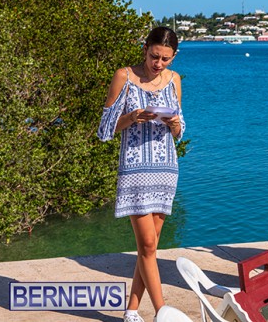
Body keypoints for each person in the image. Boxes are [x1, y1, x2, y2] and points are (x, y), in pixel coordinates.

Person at [97, 26, 185, 322]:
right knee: (147, 245)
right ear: (145, 49)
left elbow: (180, 130)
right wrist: (133, 117)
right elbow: (105, 129)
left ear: (173, 57)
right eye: (154, 56)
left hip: (165, 168)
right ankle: (163, 311)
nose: (158, 63)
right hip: (135, 169)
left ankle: (132, 310)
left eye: (165, 59)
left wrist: (174, 123)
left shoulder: (174, 80)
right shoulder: (124, 76)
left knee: (149, 248)